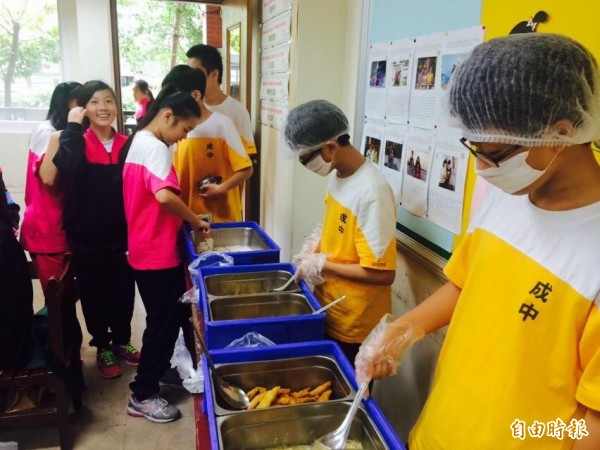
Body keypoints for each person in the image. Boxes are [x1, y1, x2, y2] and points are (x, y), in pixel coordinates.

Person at [355, 33, 600, 450]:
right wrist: (401, 331)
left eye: (495, 154)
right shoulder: (505, 195)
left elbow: (592, 421)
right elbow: (465, 284)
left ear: (562, 132)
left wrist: (520, 434)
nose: (481, 168)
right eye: (474, 148)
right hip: (436, 433)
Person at [284, 100, 397, 367]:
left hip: (355, 323)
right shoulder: (339, 175)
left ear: (331, 147)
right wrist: (314, 247)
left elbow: (383, 274)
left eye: (305, 159)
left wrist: (324, 265)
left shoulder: (372, 192)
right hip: (330, 306)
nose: (304, 165)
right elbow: (336, 228)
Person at [121, 85, 209, 423]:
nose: (182, 138)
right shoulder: (156, 147)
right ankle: (142, 394)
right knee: (163, 324)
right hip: (155, 251)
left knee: (164, 320)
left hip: (144, 245)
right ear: (167, 116)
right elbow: (164, 197)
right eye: (184, 129)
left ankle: (155, 373)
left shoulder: (138, 142)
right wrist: (195, 219)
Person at [52, 80, 138, 379]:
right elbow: (66, 168)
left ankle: (123, 340)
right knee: (94, 294)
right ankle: (102, 346)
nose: (103, 108)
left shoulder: (128, 144)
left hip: (122, 237)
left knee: (124, 292)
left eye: (109, 101)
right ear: (84, 108)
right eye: (95, 102)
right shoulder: (76, 140)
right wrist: (73, 128)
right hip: (86, 236)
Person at [163, 65, 253, 222]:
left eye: (176, 99)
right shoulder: (174, 128)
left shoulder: (222, 124)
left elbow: (247, 169)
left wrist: (222, 188)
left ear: (196, 95)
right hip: (187, 215)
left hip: (222, 217)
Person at [20, 82, 82, 294]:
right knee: (58, 304)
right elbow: (48, 178)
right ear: (66, 104)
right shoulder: (48, 132)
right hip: (47, 228)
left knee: (67, 300)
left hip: (62, 226)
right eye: (80, 102)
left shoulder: (68, 134)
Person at [186, 44, 257, 157]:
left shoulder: (237, 111)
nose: (190, 78)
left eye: (196, 73)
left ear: (214, 74)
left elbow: (247, 157)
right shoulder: (186, 108)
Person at [0, 167, 34, 371]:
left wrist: (12, 222)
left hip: (6, 251)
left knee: (16, 307)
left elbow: (8, 203)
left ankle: (16, 360)